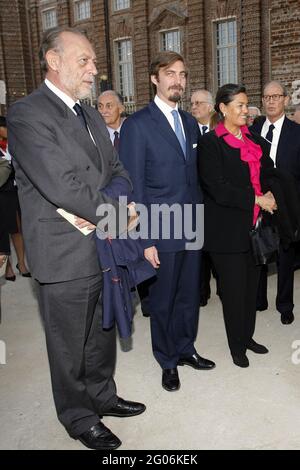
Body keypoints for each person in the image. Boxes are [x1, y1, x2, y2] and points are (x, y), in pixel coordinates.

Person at [7, 26, 145, 451]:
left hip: (103, 245)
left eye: (94, 61)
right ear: (53, 61)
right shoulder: (27, 113)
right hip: (64, 252)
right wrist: (118, 215)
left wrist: (120, 205)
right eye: (84, 60)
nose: (94, 69)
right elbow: (63, 186)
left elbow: (117, 170)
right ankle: (78, 415)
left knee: (102, 331)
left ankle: (102, 396)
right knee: (68, 344)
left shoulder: (89, 114)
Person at [119, 51, 215, 392]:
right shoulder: (137, 125)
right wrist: (144, 240)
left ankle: (186, 348)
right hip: (159, 228)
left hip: (191, 225)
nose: (178, 80)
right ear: (154, 79)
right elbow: (132, 188)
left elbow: (196, 178)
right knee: (163, 300)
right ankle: (167, 360)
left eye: (182, 74)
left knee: (190, 294)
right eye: (170, 73)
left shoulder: (190, 122)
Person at [198, 83, 277, 368]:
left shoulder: (253, 140)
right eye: (240, 106)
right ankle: (236, 346)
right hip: (225, 231)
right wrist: (257, 197)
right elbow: (218, 188)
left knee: (252, 288)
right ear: (223, 108)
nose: (246, 110)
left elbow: (267, 173)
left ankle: (247, 337)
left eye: (246, 105)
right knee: (233, 291)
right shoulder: (210, 143)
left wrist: (270, 193)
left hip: (254, 226)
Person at [98, 90, 152, 317]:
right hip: (111, 204)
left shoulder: (136, 132)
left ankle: (148, 301)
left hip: (138, 202)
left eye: (109, 105)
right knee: (120, 255)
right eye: (100, 106)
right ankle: (124, 302)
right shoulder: (95, 139)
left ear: (121, 107)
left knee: (143, 251)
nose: (104, 110)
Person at [253, 81, 300, 324]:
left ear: (285, 100)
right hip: (257, 202)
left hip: (286, 204)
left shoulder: (296, 132)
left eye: (276, 96)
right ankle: (258, 300)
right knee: (257, 249)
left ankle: (285, 305)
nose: (271, 101)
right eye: (266, 97)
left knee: (285, 254)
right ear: (262, 101)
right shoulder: (253, 128)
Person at [0, 116, 31, 281]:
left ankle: (22, 263)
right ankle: (8, 267)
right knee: (3, 232)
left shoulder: (13, 145)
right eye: (5, 128)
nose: (8, 131)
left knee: (18, 230)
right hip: (2, 194)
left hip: (16, 192)